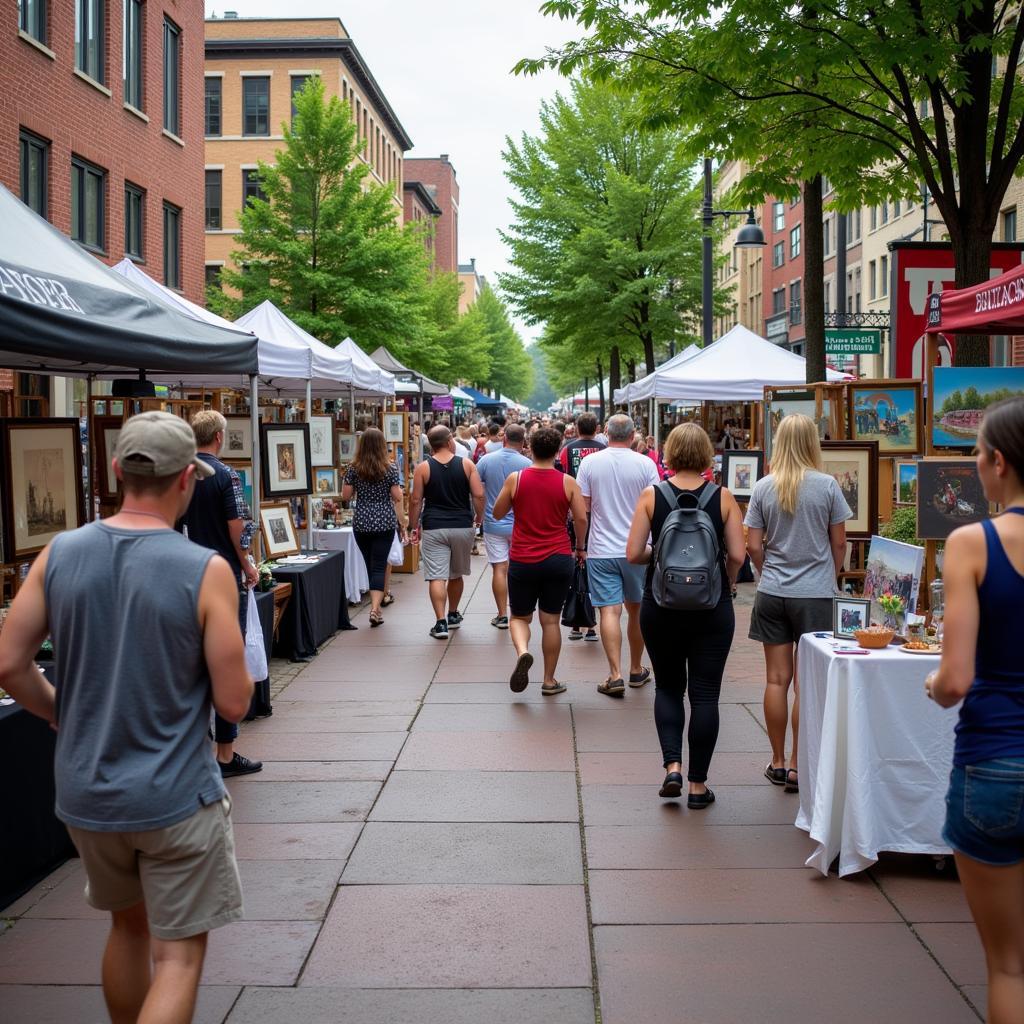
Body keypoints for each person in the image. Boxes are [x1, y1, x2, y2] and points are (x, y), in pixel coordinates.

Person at [0, 412, 252, 1024]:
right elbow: (234, 702)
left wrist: (62, 711)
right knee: (179, 960)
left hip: (89, 790)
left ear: (117, 469)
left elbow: (9, 663)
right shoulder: (203, 568)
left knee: (127, 928)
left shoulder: (61, 551)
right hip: (173, 792)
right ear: (188, 479)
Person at [926, 397, 1024, 1024]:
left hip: (996, 760)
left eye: (978, 454)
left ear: (999, 463)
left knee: (1009, 965)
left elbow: (955, 679)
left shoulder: (973, 543)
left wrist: (933, 681)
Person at [626, 423, 746, 806]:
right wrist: (722, 580)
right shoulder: (723, 498)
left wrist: (659, 556)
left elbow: (633, 554)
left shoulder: (652, 495)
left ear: (671, 452)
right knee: (706, 695)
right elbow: (739, 556)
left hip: (660, 605)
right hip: (712, 609)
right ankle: (698, 786)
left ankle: (672, 767)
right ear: (707, 454)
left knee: (667, 687)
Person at [745, 414, 850, 793]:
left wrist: (764, 572)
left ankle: (775, 760)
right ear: (812, 442)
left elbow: (753, 545)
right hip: (816, 594)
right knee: (806, 684)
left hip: (773, 592)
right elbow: (839, 542)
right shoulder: (827, 487)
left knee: (776, 680)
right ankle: (796, 765)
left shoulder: (763, 487)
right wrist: (830, 573)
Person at [180, 410, 262, 779]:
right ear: (217, 437)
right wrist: (246, 563)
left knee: (194, 656)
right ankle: (225, 752)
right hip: (224, 572)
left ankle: (197, 741)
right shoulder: (225, 475)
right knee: (227, 657)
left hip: (189, 571)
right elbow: (236, 525)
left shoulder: (182, 474)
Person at [493, 427, 588, 695]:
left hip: (523, 558)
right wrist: (580, 546)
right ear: (558, 451)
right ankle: (549, 680)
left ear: (529, 448)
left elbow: (498, 513)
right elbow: (581, 518)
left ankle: (523, 651)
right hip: (558, 557)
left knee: (519, 617)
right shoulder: (567, 481)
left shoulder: (517, 479)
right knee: (550, 620)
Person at [577, 414, 661, 697]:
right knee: (636, 609)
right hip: (638, 549)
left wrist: (580, 545)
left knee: (609, 611)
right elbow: (656, 506)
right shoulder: (646, 463)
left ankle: (614, 674)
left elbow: (583, 509)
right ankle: (636, 669)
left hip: (601, 549)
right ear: (632, 434)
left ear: (605, 433)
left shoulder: (590, 462)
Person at [409, 425, 485, 639]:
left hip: (434, 526)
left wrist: (413, 525)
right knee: (456, 573)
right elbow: (478, 495)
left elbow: (416, 500)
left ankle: (440, 622)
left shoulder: (423, 468)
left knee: (436, 576)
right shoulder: (467, 464)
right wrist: (480, 517)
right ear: (450, 441)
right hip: (462, 525)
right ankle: (453, 613)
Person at [341, 427, 408, 627]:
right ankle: (375, 609)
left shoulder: (353, 468)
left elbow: (345, 496)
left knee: (370, 564)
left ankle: (376, 608)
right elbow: (397, 496)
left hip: (362, 522)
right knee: (379, 565)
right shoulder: (390, 468)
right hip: (384, 521)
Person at [477, 423, 531, 628]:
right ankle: (519, 610)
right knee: (520, 568)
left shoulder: (486, 460)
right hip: (521, 525)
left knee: (499, 568)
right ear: (523, 441)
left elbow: (478, 491)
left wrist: (478, 516)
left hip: (494, 523)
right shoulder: (527, 463)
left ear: (504, 439)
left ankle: (501, 615)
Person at [558, 412, 606, 640]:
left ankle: (576, 621)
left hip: (573, 510)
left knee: (576, 562)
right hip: (598, 511)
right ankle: (591, 624)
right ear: (596, 428)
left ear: (577, 428)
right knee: (593, 563)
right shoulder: (604, 449)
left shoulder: (568, 448)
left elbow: (563, 476)